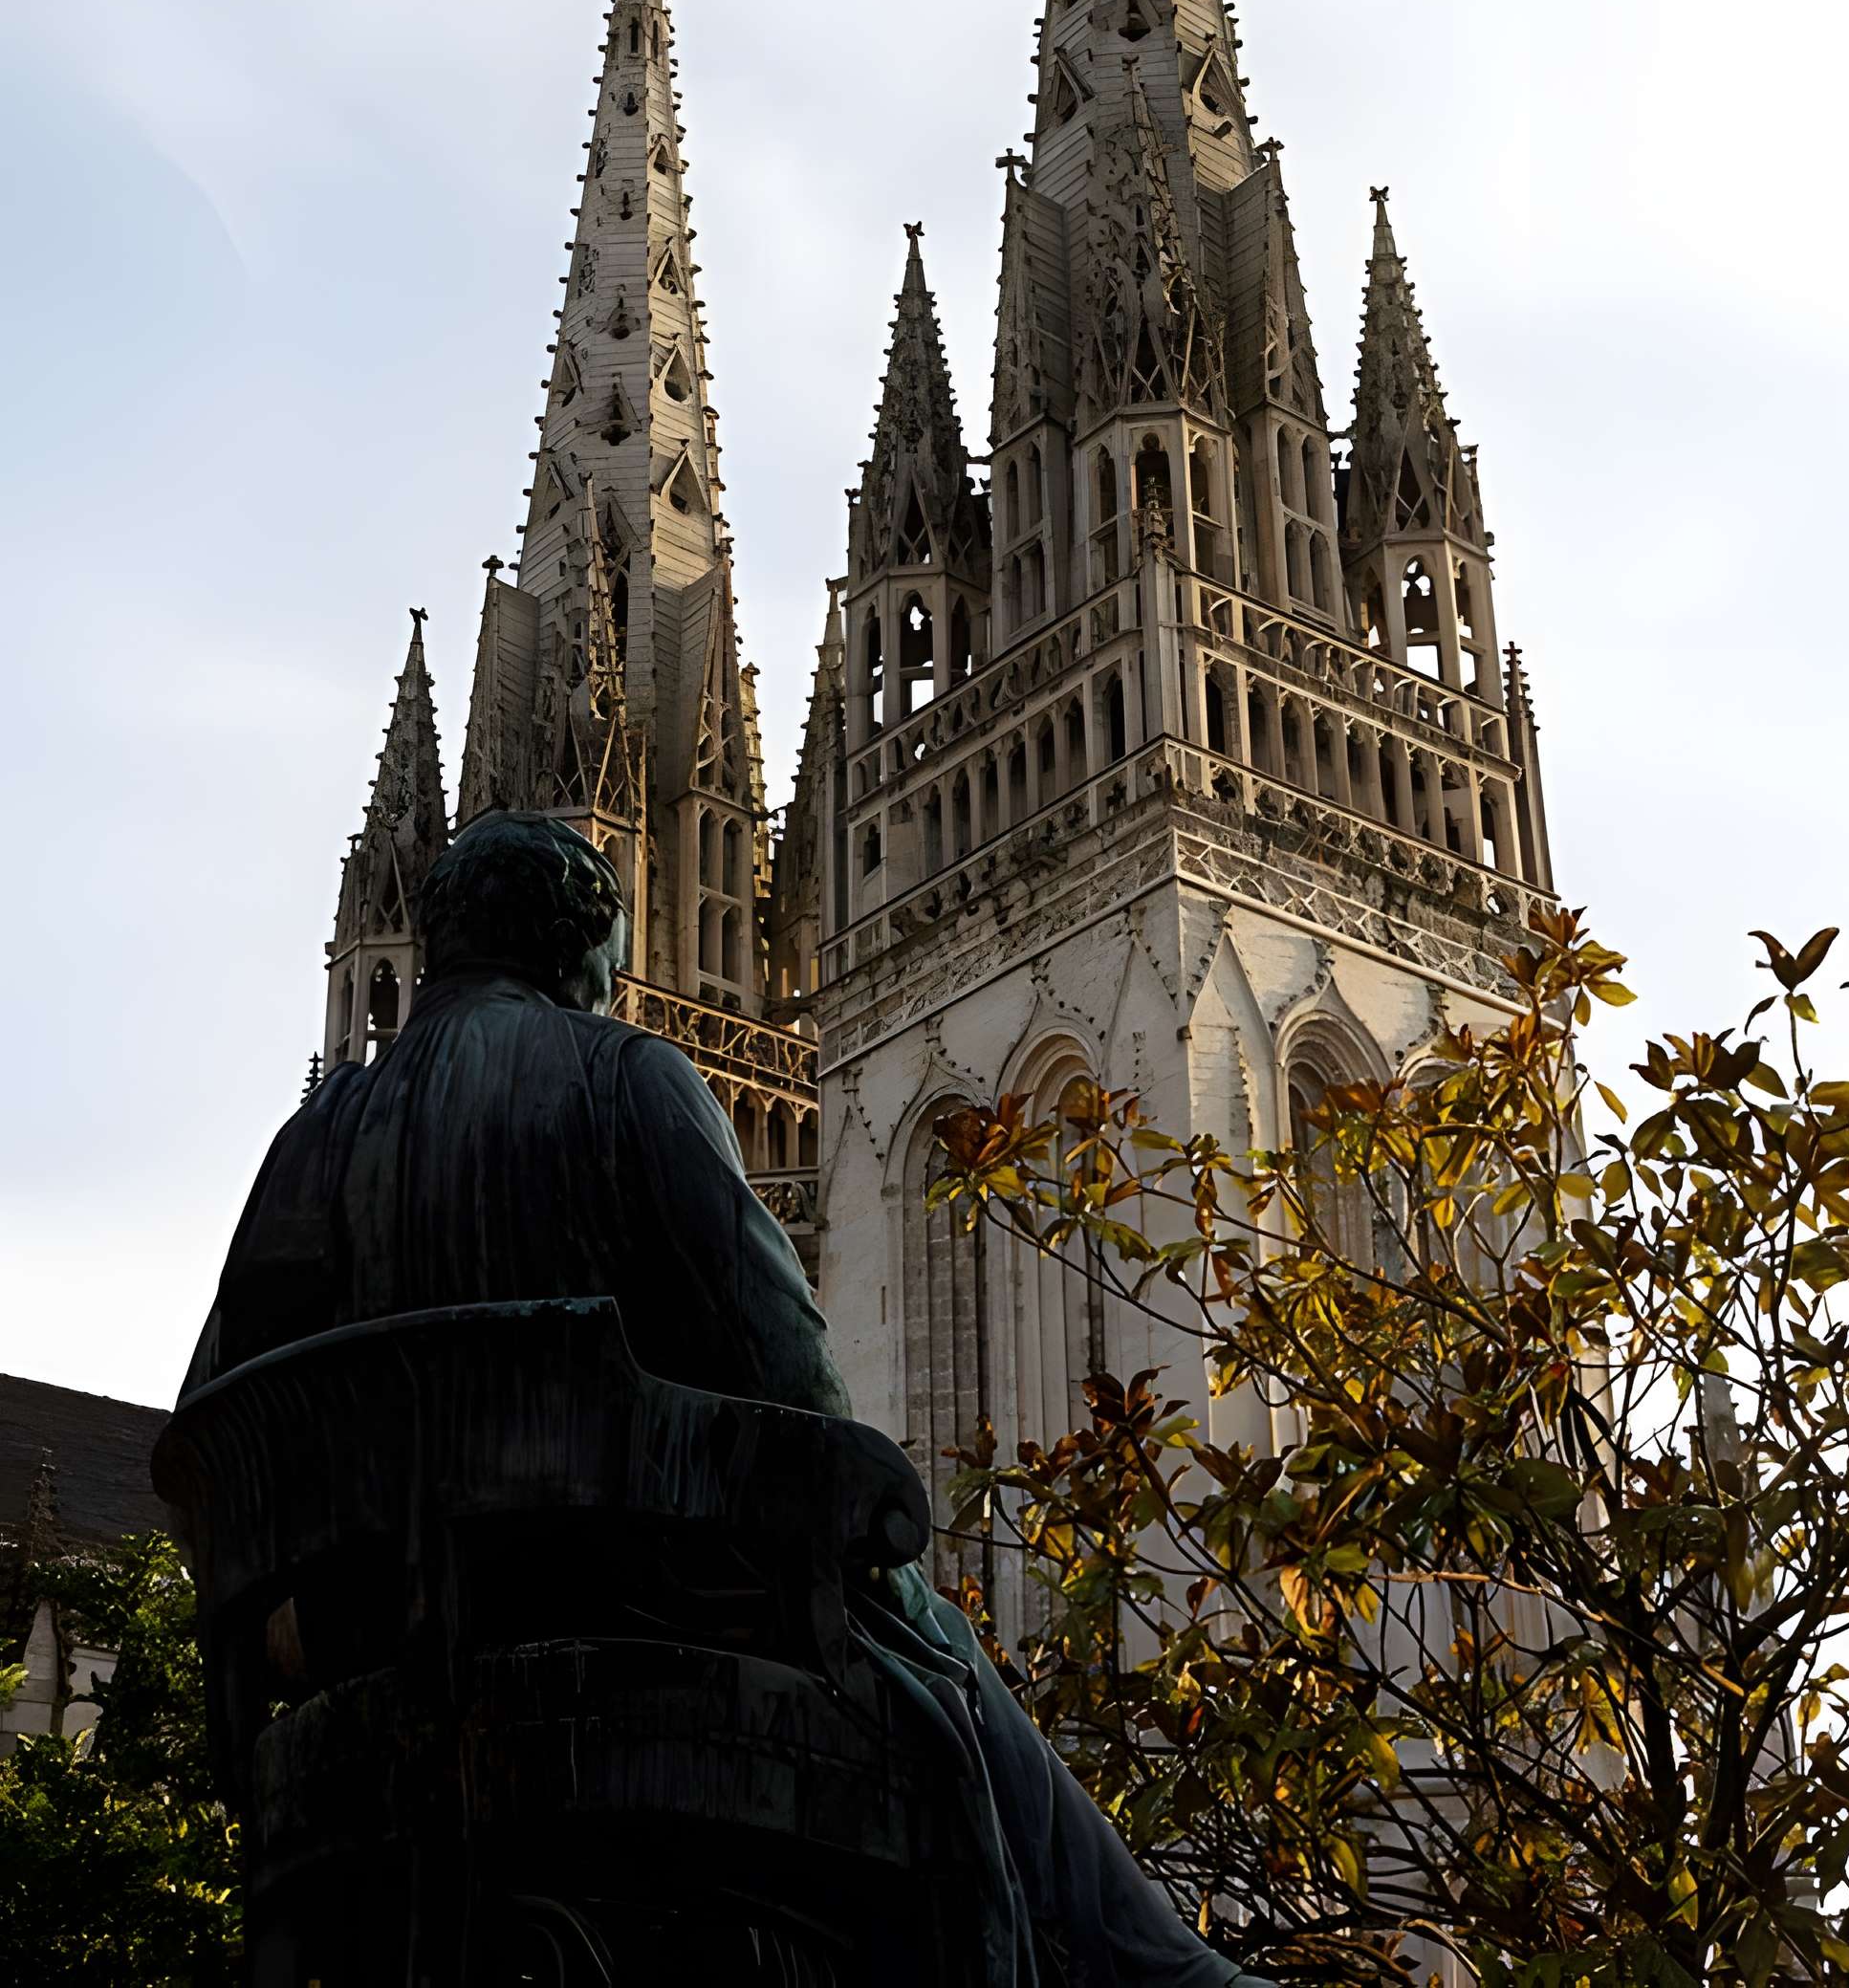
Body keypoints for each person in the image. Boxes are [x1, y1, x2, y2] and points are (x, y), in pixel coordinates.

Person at [187, 812, 1242, 1988]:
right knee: (939, 1662)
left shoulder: (309, 1141)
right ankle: (1159, 1969)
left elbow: (214, 1435)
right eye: (611, 957)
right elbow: (790, 1373)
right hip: (632, 1632)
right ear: (581, 951)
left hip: (360, 1681)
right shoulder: (627, 1077)